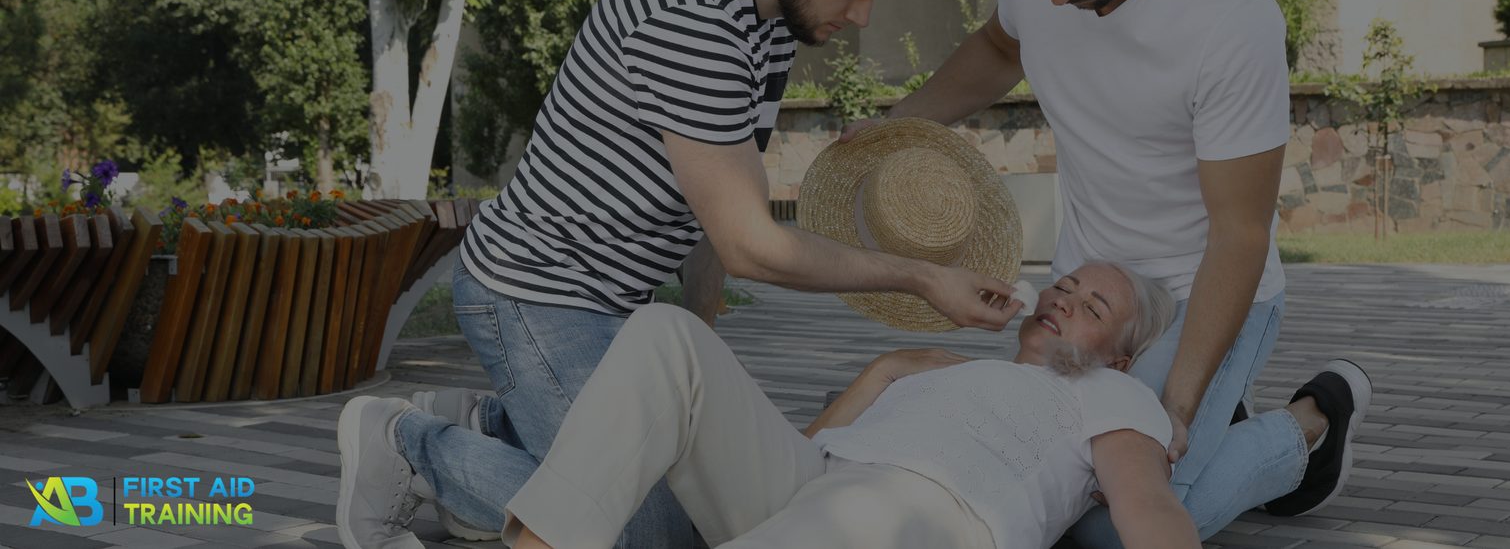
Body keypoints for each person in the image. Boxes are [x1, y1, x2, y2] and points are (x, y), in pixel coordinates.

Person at [332, 0, 1027, 545]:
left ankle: (500, 425)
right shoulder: (689, 24)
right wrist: (922, 275)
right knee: (650, 532)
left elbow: (716, 202)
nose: (862, 15)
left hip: (613, 302)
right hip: (532, 290)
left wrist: (702, 348)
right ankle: (409, 447)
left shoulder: (769, 25)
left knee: (689, 482)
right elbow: (751, 242)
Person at [835, 0, 1372, 544]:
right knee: (1052, 483)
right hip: (1094, 294)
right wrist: (902, 122)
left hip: (1207, 284)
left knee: (1104, 526)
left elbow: (1239, 236)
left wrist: (1176, 410)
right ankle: (1222, 416)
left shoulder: (1232, 16)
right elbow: (1000, 47)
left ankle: (1312, 426)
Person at [342, 262, 1199, 549]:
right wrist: (891, 366)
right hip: (820, 479)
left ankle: (433, 443)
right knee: (667, 331)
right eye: (1069, 284)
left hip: (930, 511)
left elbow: (1149, 506)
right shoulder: (946, 366)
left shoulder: (1116, 395)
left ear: (1120, 354)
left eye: (1093, 308)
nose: (1064, 300)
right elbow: (809, 447)